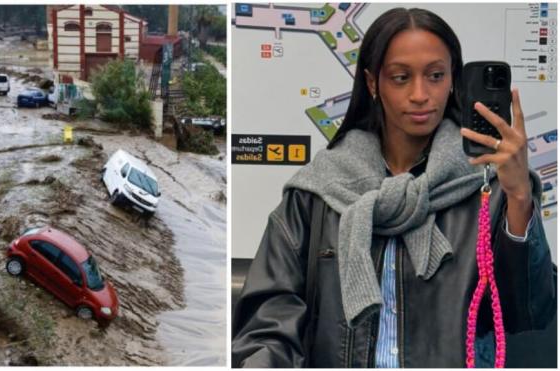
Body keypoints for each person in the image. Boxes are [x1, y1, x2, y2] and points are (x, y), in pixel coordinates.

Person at [232, 7, 556, 368]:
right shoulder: (317, 191)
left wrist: (519, 197)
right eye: (401, 77)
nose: (420, 94)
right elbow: (269, 318)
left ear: (453, 81)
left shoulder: (487, 187)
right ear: (373, 83)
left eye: (435, 75)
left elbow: (530, 311)